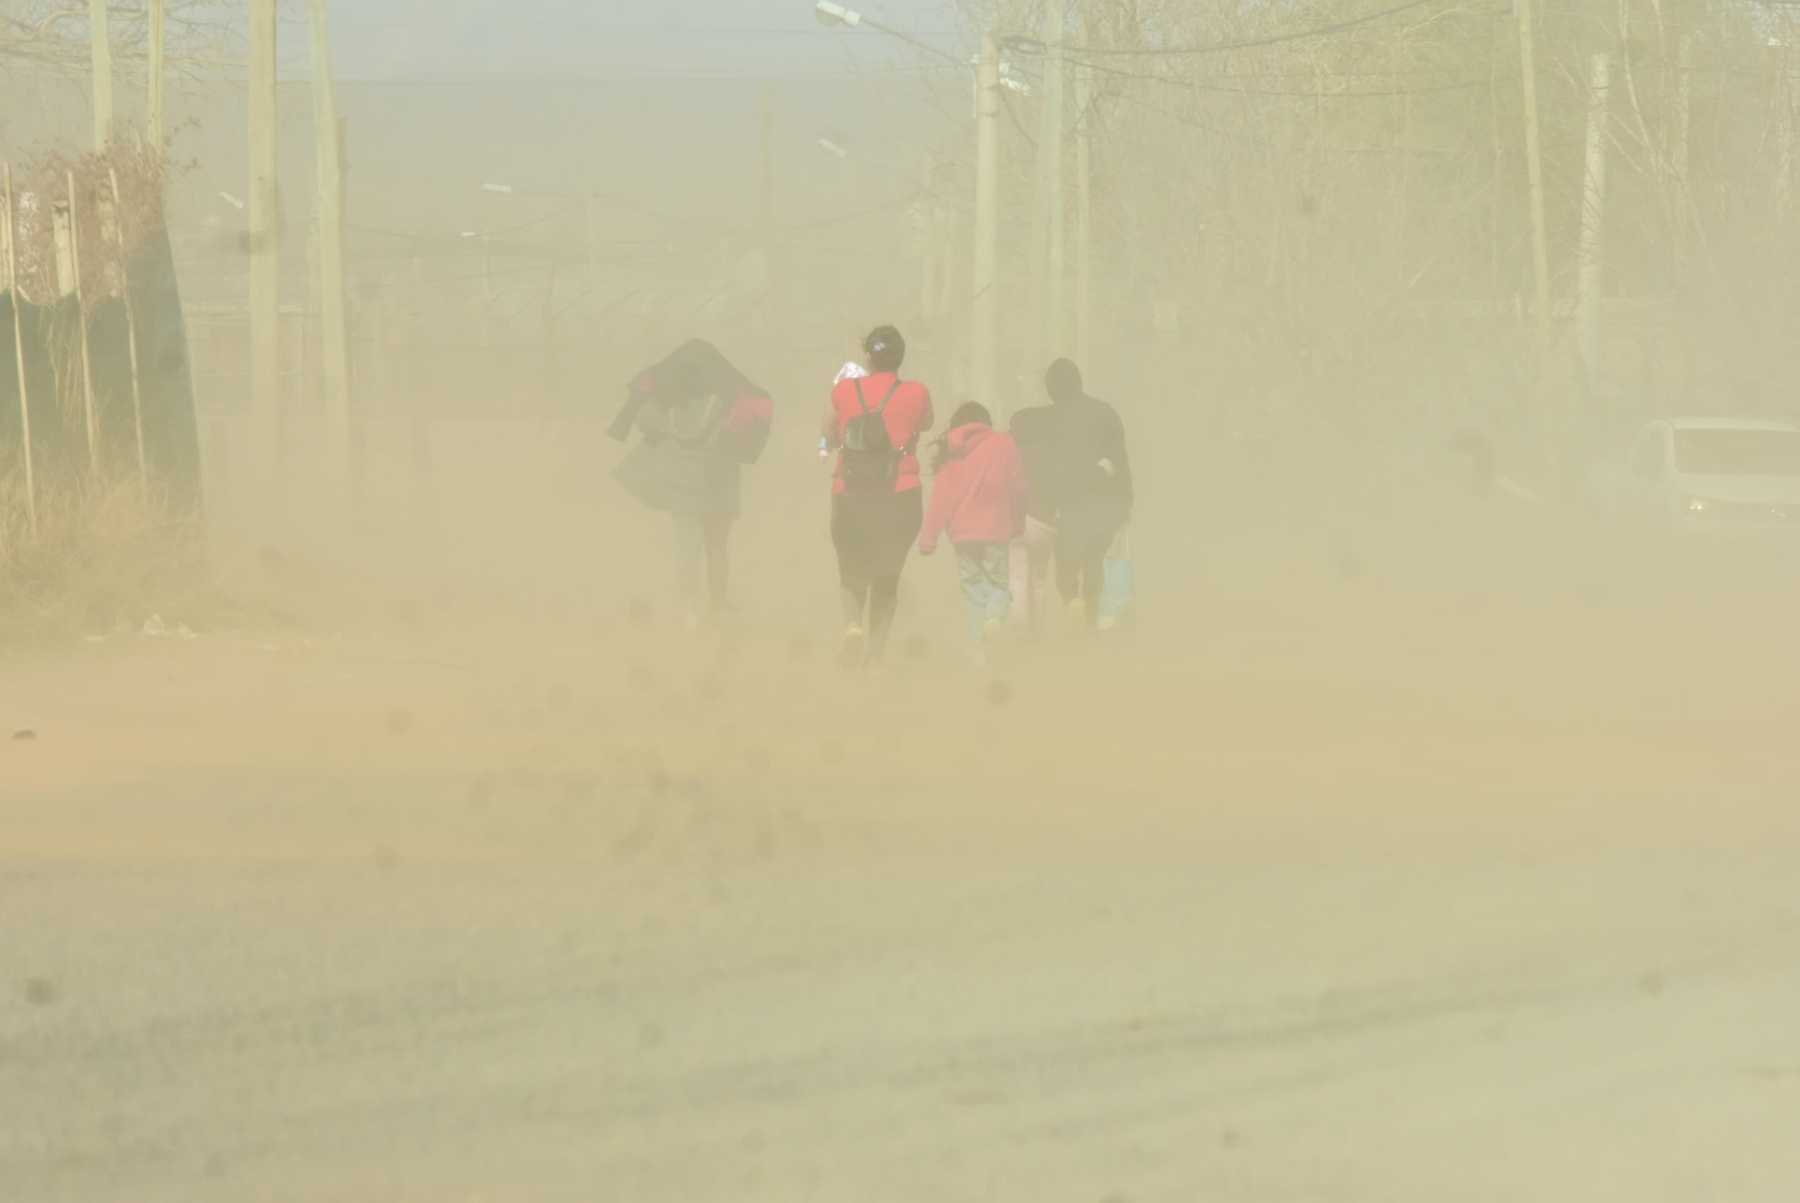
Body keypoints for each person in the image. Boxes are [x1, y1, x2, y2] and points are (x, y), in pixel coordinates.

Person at [609, 339, 772, 624]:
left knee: (687, 545)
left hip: (682, 482)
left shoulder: (667, 397)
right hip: (721, 479)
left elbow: (646, 424)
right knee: (717, 545)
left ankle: (687, 608)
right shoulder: (731, 395)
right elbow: (742, 435)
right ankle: (718, 605)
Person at [822, 325, 934, 663]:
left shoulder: (844, 391)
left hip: (850, 494)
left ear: (868, 357)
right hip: (900, 497)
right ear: (900, 357)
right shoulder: (917, 392)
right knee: (887, 577)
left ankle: (853, 625)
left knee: (850, 570)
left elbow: (829, 434)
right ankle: (875, 654)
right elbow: (926, 423)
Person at [1011, 358, 1133, 626]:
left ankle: (1073, 602)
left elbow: (1018, 424)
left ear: (1051, 388)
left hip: (1072, 504)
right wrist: (1126, 505)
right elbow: (1121, 462)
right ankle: (1091, 618)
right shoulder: (1106, 412)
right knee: (1094, 559)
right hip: (1108, 504)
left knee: (1067, 564)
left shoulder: (1050, 418)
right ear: (1079, 382)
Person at [918, 402, 1029, 660]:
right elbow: (1019, 487)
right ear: (985, 421)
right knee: (999, 585)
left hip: (962, 534)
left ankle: (979, 653)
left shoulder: (950, 451)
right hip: (996, 529)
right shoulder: (1004, 443)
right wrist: (1018, 522)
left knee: (973, 591)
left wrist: (928, 539)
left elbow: (941, 500)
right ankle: (994, 619)